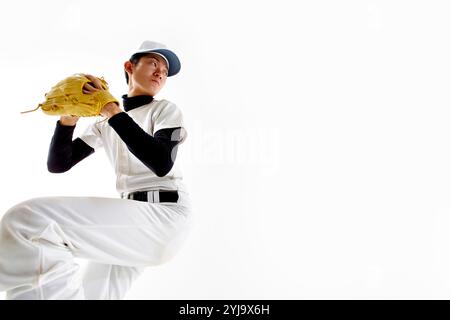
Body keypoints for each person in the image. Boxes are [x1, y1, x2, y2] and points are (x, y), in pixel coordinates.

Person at [0, 40, 193, 300]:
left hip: (163, 217)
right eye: (153, 63)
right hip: (128, 224)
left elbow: (161, 163)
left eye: (165, 71)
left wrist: (112, 110)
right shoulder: (107, 122)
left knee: (28, 220)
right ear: (129, 66)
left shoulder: (164, 109)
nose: (161, 72)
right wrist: (68, 118)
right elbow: (59, 164)